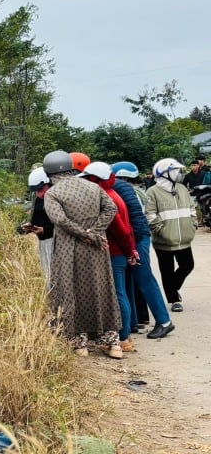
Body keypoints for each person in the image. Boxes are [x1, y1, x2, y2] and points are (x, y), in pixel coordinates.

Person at [41, 150, 123, 358]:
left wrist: (83, 234)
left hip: (69, 249)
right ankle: (112, 343)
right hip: (97, 248)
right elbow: (111, 209)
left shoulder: (53, 193)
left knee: (70, 290)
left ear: (49, 173)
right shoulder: (93, 187)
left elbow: (60, 220)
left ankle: (80, 344)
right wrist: (95, 233)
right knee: (102, 288)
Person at [110, 161, 175, 340]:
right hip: (135, 238)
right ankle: (132, 322)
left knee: (144, 278)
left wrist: (132, 247)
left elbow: (135, 220)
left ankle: (164, 321)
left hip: (137, 238)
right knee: (129, 280)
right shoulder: (134, 190)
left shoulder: (123, 190)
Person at [80, 162, 139, 353]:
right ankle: (124, 336)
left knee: (117, 294)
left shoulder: (107, 199)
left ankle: (122, 338)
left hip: (115, 253)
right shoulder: (111, 194)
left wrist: (129, 251)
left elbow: (122, 231)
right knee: (120, 293)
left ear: (96, 179)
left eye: (88, 179)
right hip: (118, 252)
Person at [145, 157, 198, 312]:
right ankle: (174, 299)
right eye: (176, 171)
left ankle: (172, 287)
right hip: (163, 241)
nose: (180, 174)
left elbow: (192, 209)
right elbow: (150, 215)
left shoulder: (182, 188)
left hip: (184, 239)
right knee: (167, 270)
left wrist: (193, 225)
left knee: (188, 265)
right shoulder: (153, 191)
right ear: (165, 173)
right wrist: (161, 231)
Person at [19, 166, 55, 278]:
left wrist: (45, 230)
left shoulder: (56, 199)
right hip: (43, 240)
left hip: (54, 240)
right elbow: (36, 217)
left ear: (49, 184)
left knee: (53, 270)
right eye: (36, 191)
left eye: (40, 189)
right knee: (46, 270)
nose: (38, 193)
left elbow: (62, 223)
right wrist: (30, 225)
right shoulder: (39, 199)